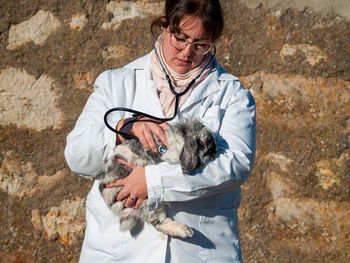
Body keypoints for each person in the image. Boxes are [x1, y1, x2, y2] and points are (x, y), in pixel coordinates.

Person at [64, 0, 256, 262]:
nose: (188, 52)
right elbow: (77, 156)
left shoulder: (231, 94)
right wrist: (121, 130)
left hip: (198, 250)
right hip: (119, 251)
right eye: (180, 38)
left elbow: (236, 163)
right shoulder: (116, 82)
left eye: (200, 44)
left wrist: (153, 182)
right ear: (164, 27)